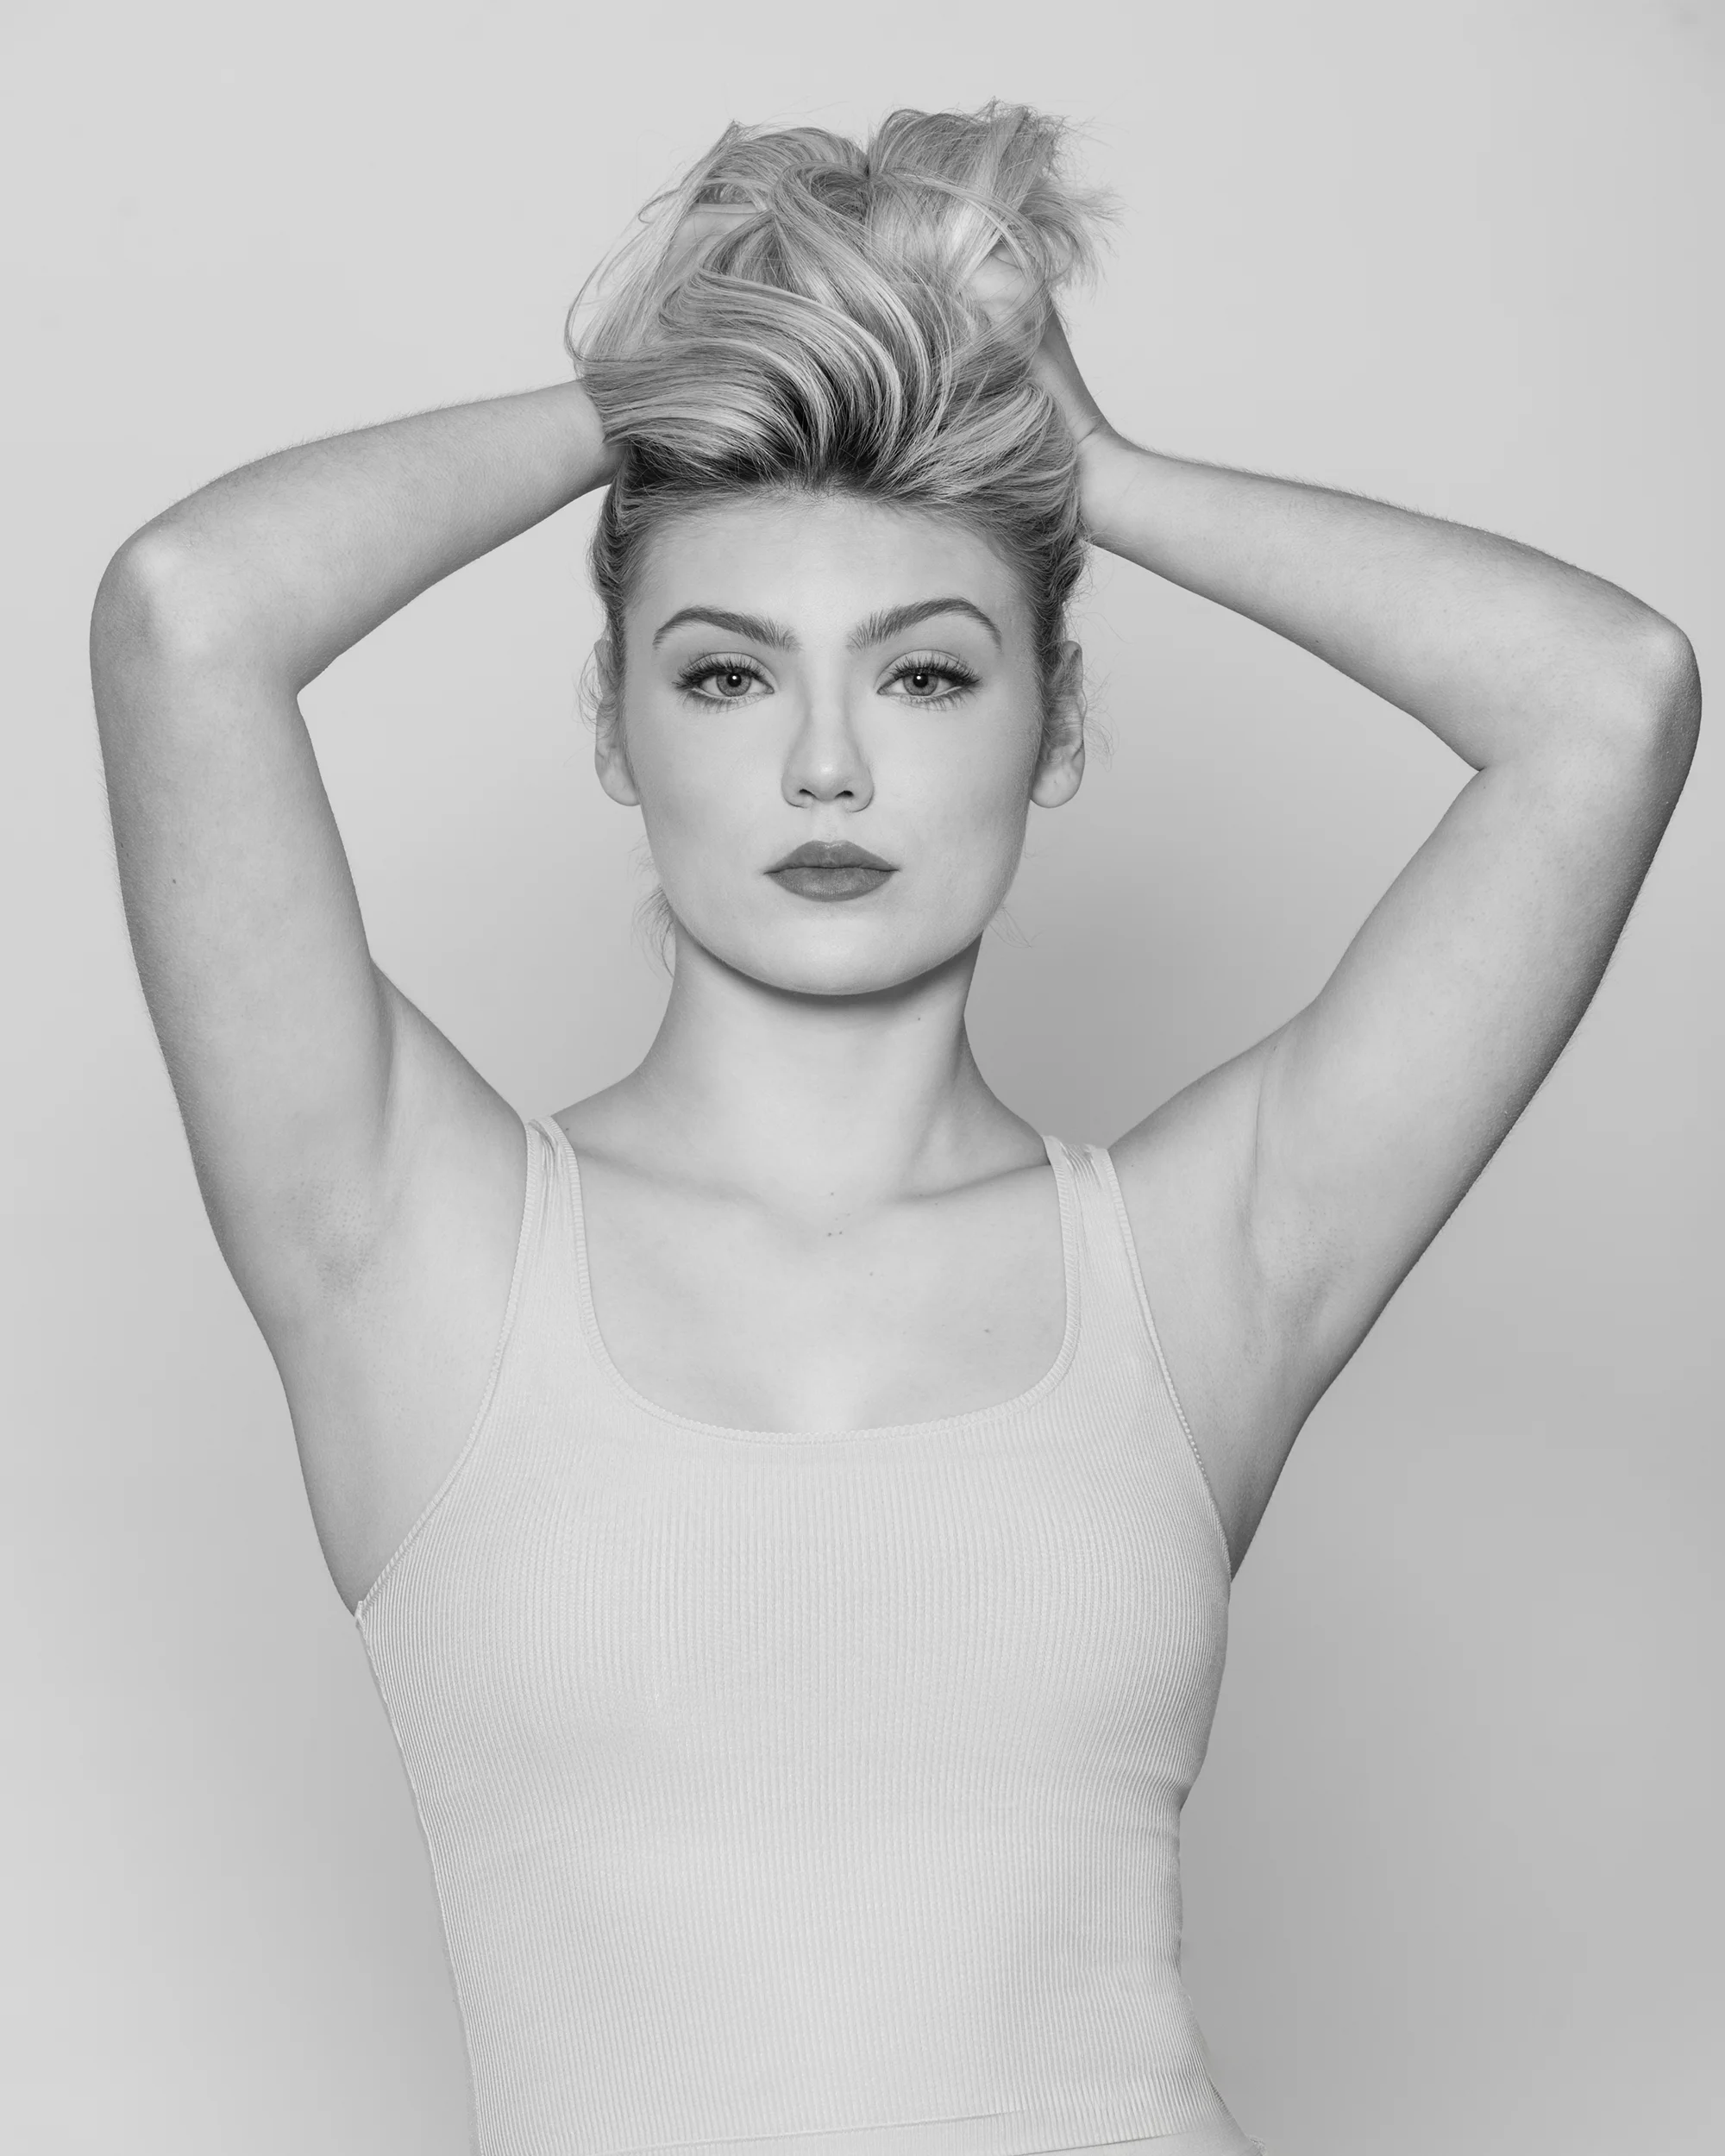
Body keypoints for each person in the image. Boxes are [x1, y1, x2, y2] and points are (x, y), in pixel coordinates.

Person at [88, 102, 1697, 2156]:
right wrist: (656, 394)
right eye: (727, 676)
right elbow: (187, 612)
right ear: (613, 724)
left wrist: (1100, 470)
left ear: (1056, 718)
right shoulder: (409, 1242)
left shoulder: (1197, 1263)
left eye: (927, 674)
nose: (829, 767)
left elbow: (1607, 697)